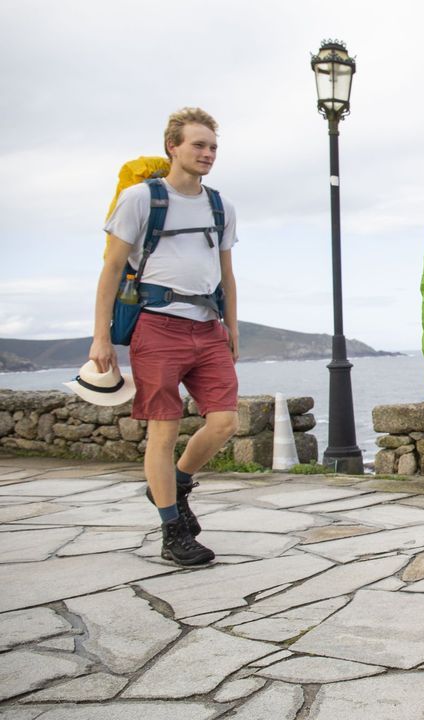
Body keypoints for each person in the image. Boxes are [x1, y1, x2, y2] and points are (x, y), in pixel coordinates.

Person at [90, 107, 240, 567]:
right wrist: (100, 338)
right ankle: (172, 531)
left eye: (213, 146)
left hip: (207, 326)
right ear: (172, 147)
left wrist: (232, 327)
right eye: (198, 145)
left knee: (224, 423)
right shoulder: (141, 199)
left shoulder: (221, 206)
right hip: (156, 325)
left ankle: (176, 483)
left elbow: (227, 274)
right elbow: (112, 269)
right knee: (164, 430)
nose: (208, 153)